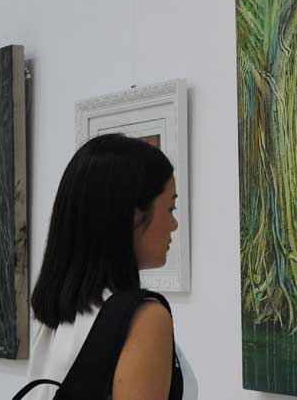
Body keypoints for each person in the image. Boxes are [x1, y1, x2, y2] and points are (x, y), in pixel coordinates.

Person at [27, 133, 198, 400]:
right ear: (133, 215)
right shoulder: (144, 319)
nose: (174, 225)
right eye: (170, 209)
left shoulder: (57, 311)